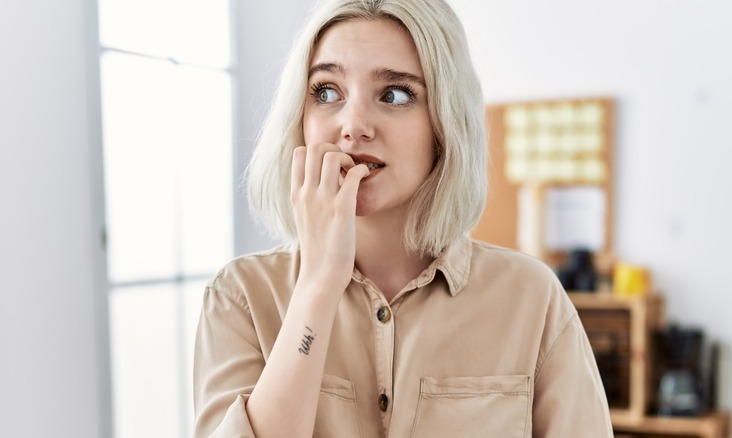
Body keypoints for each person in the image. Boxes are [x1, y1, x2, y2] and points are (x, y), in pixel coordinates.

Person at [193, 0, 614, 436]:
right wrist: (318, 283)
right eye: (326, 91)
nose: (353, 125)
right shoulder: (239, 297)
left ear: (444, 123)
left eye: (395, 94)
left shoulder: (533, 297)